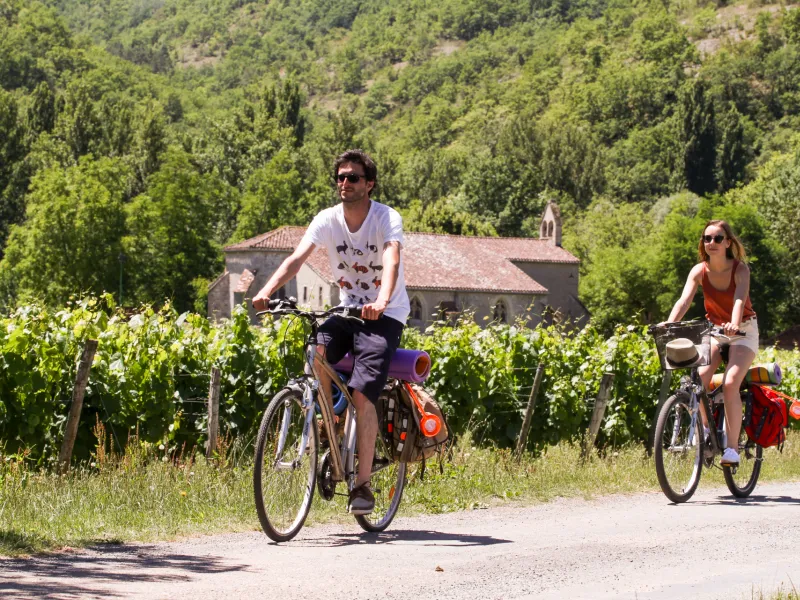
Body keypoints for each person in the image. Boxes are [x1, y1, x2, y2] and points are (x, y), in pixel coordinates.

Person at [252, 149, 410, 514]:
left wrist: (382, 300)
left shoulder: (386, 217)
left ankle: (363, 485)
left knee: (361, 396)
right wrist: (266, 292)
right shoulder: (326, 219)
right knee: (316, 353)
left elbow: (391, 258)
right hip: (345, 310)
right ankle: (328, 424)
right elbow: (296, 259)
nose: (344, 183)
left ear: (369, 184)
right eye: (340, 177)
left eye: (353, 177)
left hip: (384, 315)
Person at [665, 220, 758, 466]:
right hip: (715, 330)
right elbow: (684, 301)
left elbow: (739, 300)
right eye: (707, 238)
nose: (711, 243)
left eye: (717, 238)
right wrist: (669, 324)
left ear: (728, 242)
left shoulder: (740, 270)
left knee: (729, 383)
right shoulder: (699, 271)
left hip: (743, 330)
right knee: (698, 380)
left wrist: (734, 324)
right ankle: (705, 429)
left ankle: (732, 449)